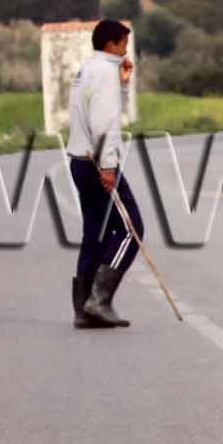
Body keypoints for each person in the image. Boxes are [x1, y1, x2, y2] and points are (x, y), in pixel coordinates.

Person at [65, 18, 144, 329]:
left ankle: (83, 310)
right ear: (111, 43)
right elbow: (105, 125)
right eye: (124, 43)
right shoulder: (106, 72)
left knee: (95, 233)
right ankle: (98, 301)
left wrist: (123, 85)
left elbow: (103, 111)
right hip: (98, 162)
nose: (126, 48)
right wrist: (109, 167)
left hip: (80, 160)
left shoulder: (88, 70)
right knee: (131, 230)